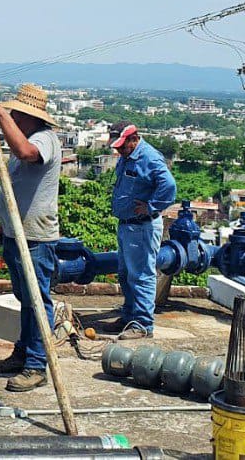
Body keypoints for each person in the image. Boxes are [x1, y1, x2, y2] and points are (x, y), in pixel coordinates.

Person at [0, 84, 63, 393]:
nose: (11, 116)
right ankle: (24, 352)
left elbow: (26, 154)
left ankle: (37, 364)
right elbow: (20, 187)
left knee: (37, 301)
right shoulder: (28, 136)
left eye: (15, 113)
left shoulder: (44, 140)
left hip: (37, 237)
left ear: (28, 116)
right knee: (26, 300)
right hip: (18, 232)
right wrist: (5, 224)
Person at [105, 121, 177, 340]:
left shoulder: (150, 158)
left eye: (122, 146)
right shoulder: (129, 157)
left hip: (142, 226)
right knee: (126, 274)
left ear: (133, 139)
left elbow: (169, 186)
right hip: (128, 224)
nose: (118, 151)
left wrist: (151, 206)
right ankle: (129, 316)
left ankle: (143, 324)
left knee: (142, 275)